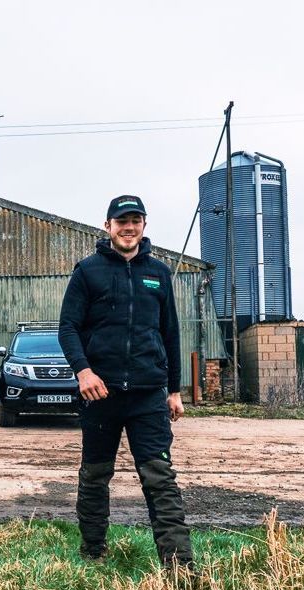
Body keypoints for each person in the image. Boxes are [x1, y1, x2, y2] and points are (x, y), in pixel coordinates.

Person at [57, 195, 193, 568]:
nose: (128, 227)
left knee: (159, 477)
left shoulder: (159, 274)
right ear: (108, 226)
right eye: (121, 221)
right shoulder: (88, 271)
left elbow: (170, 333)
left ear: (144, 225)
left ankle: (179, 566)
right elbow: (68, 328)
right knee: (95, 475)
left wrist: (175, 390)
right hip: (101, 394)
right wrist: (83, 371)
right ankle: (93, 553)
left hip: (148, 395)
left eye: (135, 220)